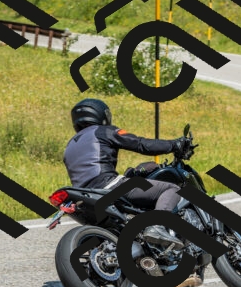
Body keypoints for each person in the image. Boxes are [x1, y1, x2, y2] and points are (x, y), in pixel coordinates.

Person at [63, 98, 187, 249]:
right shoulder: (102, 131)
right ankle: (157, 227)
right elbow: (141, 144)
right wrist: (174, 144)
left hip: (84, 194)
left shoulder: (70, 145)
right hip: (108, 186)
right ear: (101, 115)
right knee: (172, 189)